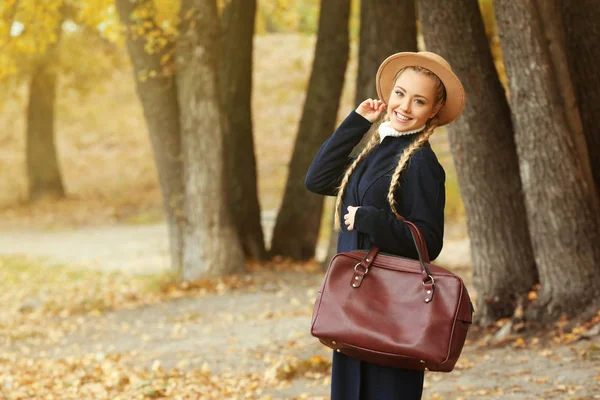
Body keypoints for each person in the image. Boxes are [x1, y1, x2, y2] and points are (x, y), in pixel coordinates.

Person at [305, 51, 466, 399]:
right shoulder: (375, 152)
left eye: (419, 100)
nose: (405, 106)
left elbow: (428, 241)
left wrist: (371, 219)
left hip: (392, 313)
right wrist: (357, 123)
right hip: (353, 306)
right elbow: (317, 180)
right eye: (400, 93)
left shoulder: (422, 162)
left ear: (433, 111)